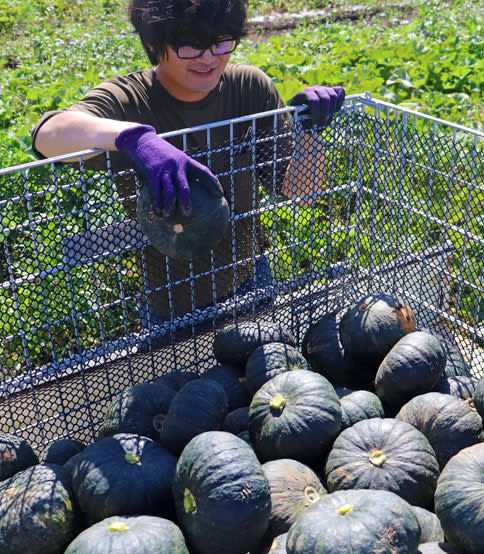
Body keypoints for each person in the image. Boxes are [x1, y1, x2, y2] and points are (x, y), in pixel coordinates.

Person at [32, 0, 345, 329]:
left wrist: (309, 131)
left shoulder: (250, 89)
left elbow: (302, 190)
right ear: (154, 44)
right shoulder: (130, 100)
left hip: (251, 281)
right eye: (191, 46)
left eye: (220, 41)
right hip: (173, 306)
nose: (209, 58)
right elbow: (47, 135)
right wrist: (134, 138)